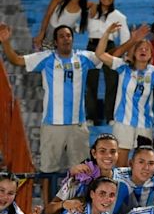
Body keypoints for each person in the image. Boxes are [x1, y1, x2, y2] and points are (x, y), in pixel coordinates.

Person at [0, 23, 101, 174]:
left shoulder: (84, 57)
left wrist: (129, 42)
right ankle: (49, 199)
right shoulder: (46, 58)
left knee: (82, 172)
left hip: (78, 125)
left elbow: (106, 57)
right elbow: (16, 60)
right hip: (52, 125)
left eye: (68, 36)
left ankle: (78, 198)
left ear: (73, 39)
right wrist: (6, 42)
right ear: (55, 42)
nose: (66, 39)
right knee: (48, 172)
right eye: (61, 36)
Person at [96, 22, 154, 167]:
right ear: (133, 52)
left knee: (144, 165)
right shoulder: (123, 67)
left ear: (151, 54)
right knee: (121, 166)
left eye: (147, 49)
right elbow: (100, 54)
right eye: (139, 48)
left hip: (145, 124)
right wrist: (108, 33)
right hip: (123, 122)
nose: (143, 50)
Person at [44, 133, 119, 214]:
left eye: (113, 151)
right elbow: (48, 210)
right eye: (102, 151)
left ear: (118, 153)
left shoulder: (121, 179)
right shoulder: (80, 179)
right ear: (94, 153)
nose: (108, 155)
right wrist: (64, 204)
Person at [85, 0, 130, 125]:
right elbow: (78, 27)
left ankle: (110, 116)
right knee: (91, 81)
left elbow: (125, 36)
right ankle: (91, 117)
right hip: (92, 46)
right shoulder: (91, 13)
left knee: (112, 81)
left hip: (110, 47)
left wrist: (125, 54)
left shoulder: (119, 16)